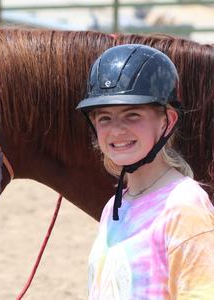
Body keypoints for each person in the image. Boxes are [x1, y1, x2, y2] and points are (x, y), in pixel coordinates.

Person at [76, 44, 214, 299]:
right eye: (104, 118)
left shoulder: (184, 207)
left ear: (167, 121)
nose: (116, 130)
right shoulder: (114, 207)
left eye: (132, 115)